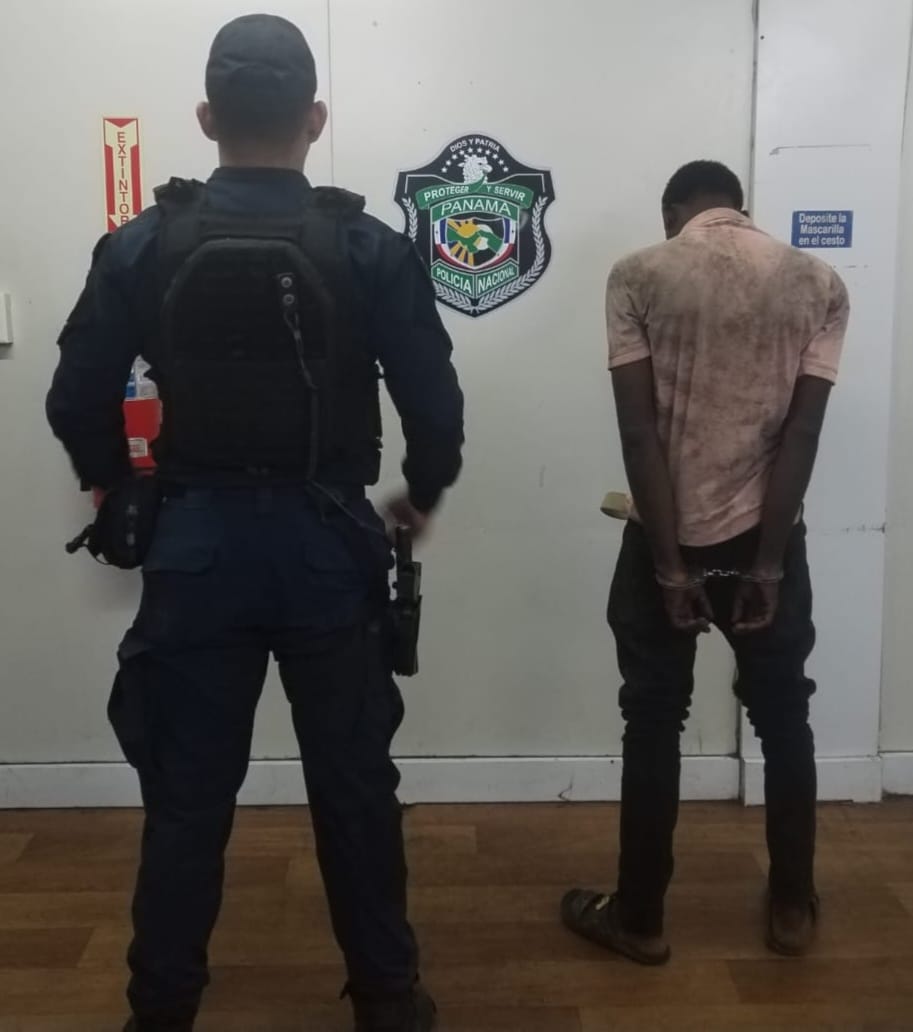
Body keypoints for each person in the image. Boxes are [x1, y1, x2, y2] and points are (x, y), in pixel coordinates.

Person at [47, 15, 463, 1032]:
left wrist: (118, 490)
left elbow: (74, 397)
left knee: (186, 799)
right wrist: (419, 493)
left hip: (195, 549)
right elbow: (435, 404)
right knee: (354, 790)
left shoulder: (143, 244)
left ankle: (160, 1012)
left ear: (206, 118)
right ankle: (388, 1001)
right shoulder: (366, 246)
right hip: (329, 546)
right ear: (314, 119)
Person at [561, 161, 848, 965]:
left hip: (666, 537)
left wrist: (668, 566)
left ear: (671, 212)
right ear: (738, 206)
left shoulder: (637, 275)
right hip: (766, 540)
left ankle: (640, 918)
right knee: (783, 718)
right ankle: (790, 907)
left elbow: (638, 434)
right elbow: (800, 435)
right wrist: (767, 565)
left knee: (652, 720)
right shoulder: (818, 283)